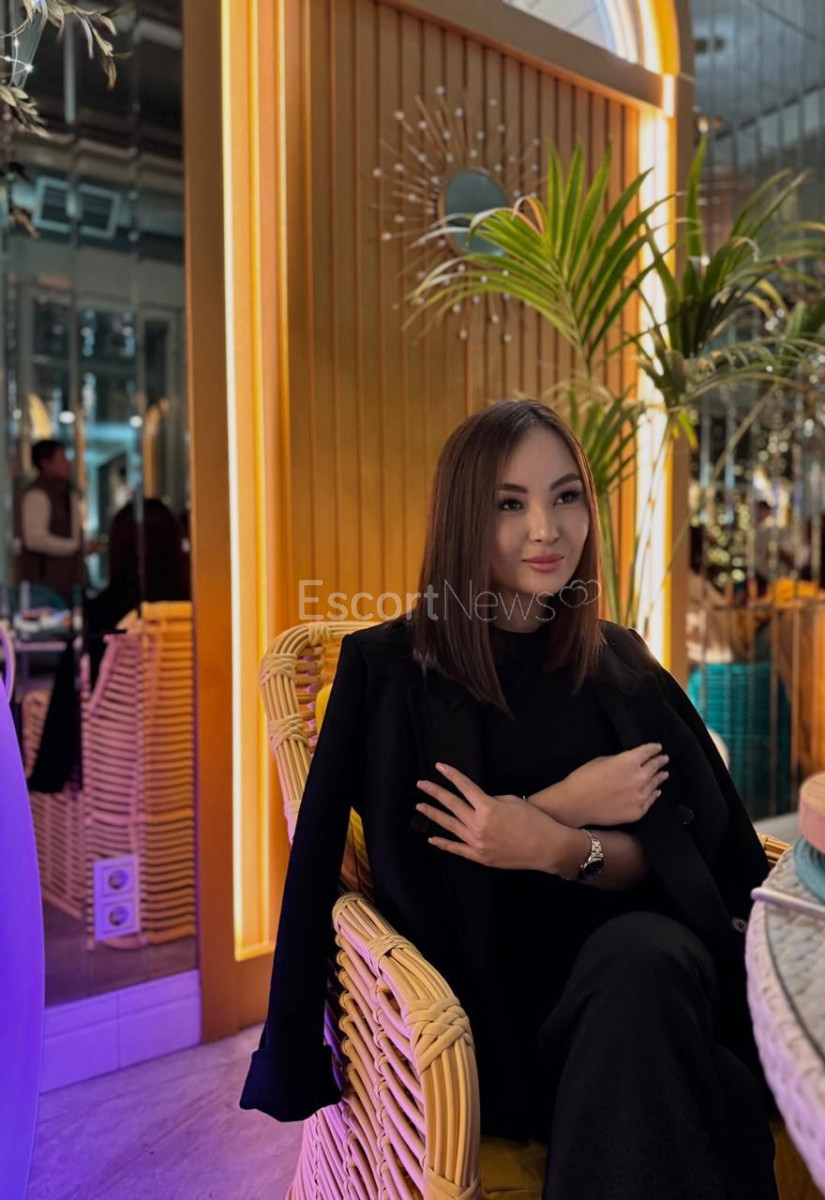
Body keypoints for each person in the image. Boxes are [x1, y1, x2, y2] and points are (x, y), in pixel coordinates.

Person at [240, 400, 777, 1199]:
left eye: (566, 497)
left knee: (644, 964)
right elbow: (352, 867)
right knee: (689, 1061)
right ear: (465, 515)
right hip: (483, 1021)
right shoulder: (388, 672)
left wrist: (559, 846)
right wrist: (561, 802)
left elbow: (691, 856)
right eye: (510, 503)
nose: (546, 530)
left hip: (647, 990)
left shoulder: (620, 663)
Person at [26, 497, 191, 794]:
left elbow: (69, 698)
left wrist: (46, 775)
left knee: (32, 701)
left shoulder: (106, 614)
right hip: (185, 748)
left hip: (115, 757)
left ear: (119, 550)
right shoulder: (193, 612)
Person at [14, 439, 83, 608]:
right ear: (46, 463)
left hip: (66, 584)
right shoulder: (38, 494)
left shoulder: (65, 492)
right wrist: (73, 546)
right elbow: (35, 539)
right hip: (44, 587)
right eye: (62, 458)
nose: (68, 463)